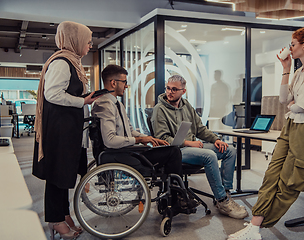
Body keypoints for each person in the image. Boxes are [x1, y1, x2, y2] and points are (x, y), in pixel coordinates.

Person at [228, 27, 304, 240]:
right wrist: (286, 68)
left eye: (293, 44)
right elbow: (283, 100)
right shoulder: (299, 72)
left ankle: (258, 224)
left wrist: (293, 105)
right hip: (291, 125)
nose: (290, 48)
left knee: (291, 181)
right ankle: (255, 225)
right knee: (272, 174)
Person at [91, 64, 197, 211]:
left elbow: (130, 131)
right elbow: (110, 140)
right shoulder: (105, 105)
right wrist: (140, 140)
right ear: (114, 83)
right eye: (124, 82)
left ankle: (174, 196)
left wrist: (148, 138)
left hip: (127, 150)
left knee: (168, 149)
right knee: (173, 152)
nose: (126, 86)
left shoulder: (116, 104)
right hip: (121, 154)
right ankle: (176, 199)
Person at [32, 21, 99, 240]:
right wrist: (83, 102)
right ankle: (55, 221)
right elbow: (53, 94)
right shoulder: (62, 63)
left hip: (67, 130)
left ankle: (63, 214)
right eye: (87, 42)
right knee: (57, 176)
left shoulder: (72, 62)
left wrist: (84, 100)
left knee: (64, 175)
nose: (90, 46)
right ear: (75, 40)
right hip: (59, 132)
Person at [151, 75, 248, 219]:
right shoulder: (160, 109)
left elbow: (200, 129)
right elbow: (162, 139)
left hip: (193, 148)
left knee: (229, 150)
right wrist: (188, 143)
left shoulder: (186, 106)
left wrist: (216, 139)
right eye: (168, 88)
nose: (169, 92)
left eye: (174, 89)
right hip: (175, 152)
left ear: (183, 91)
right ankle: (222, 201)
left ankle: (225, 193)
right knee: (210, 155)